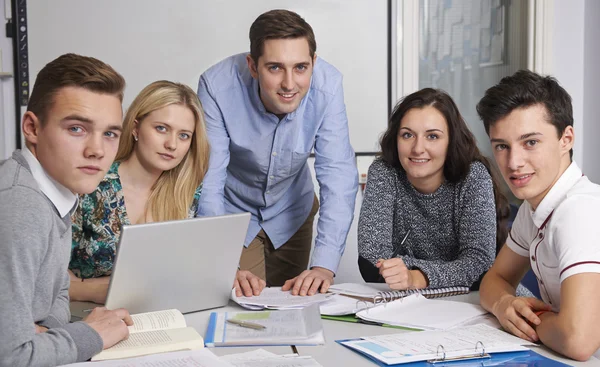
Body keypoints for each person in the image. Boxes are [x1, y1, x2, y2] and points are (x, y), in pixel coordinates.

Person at [197, 9, 358, 297]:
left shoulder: (328, 86)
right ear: (253, 66)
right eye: (274, 68)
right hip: (234, 214)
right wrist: (219, 262)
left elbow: (338, 173)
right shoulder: (216, 87)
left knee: (293, 308)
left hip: (292, 212)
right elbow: (209, 178)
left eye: (300, 67)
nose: (289, 84)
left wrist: (324, 265)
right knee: (240, 307)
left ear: (313, 64)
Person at [0, 53, 133, 367]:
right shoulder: (20, 205)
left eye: (110, 134)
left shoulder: (57, 188)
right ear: (32, 128)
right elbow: (6, 366)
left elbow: (57, 291)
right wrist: (90, 335)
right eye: (77, 129)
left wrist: (50, 335)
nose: (97, 150)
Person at [477, 70, 600, 361]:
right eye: (502, 146)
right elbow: (495, 279)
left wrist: (527, 320)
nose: (514, 162)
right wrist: (505, 304)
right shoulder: (536, 205)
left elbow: (578, 339)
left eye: (530, 142)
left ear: (565, 139)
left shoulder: (578, 210)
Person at [69, 80, 210, 304]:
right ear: (135, 128)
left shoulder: (189, 192)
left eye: (184, 135)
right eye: (161, 128)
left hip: (160, 312)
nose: (172, 144)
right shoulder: (92, 186)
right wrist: (92, 291)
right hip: (84, 314)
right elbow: (49, 276)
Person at [358, 88, 509, 290]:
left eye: (432, 137)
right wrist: (452, 270)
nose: (418, 148)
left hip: (478, 300)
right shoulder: (384, 172)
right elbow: (370, 259)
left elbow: (479, 263)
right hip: (405, 303)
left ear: (451, 141)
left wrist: (417, 278)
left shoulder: (473, 176)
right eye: (407, 135)